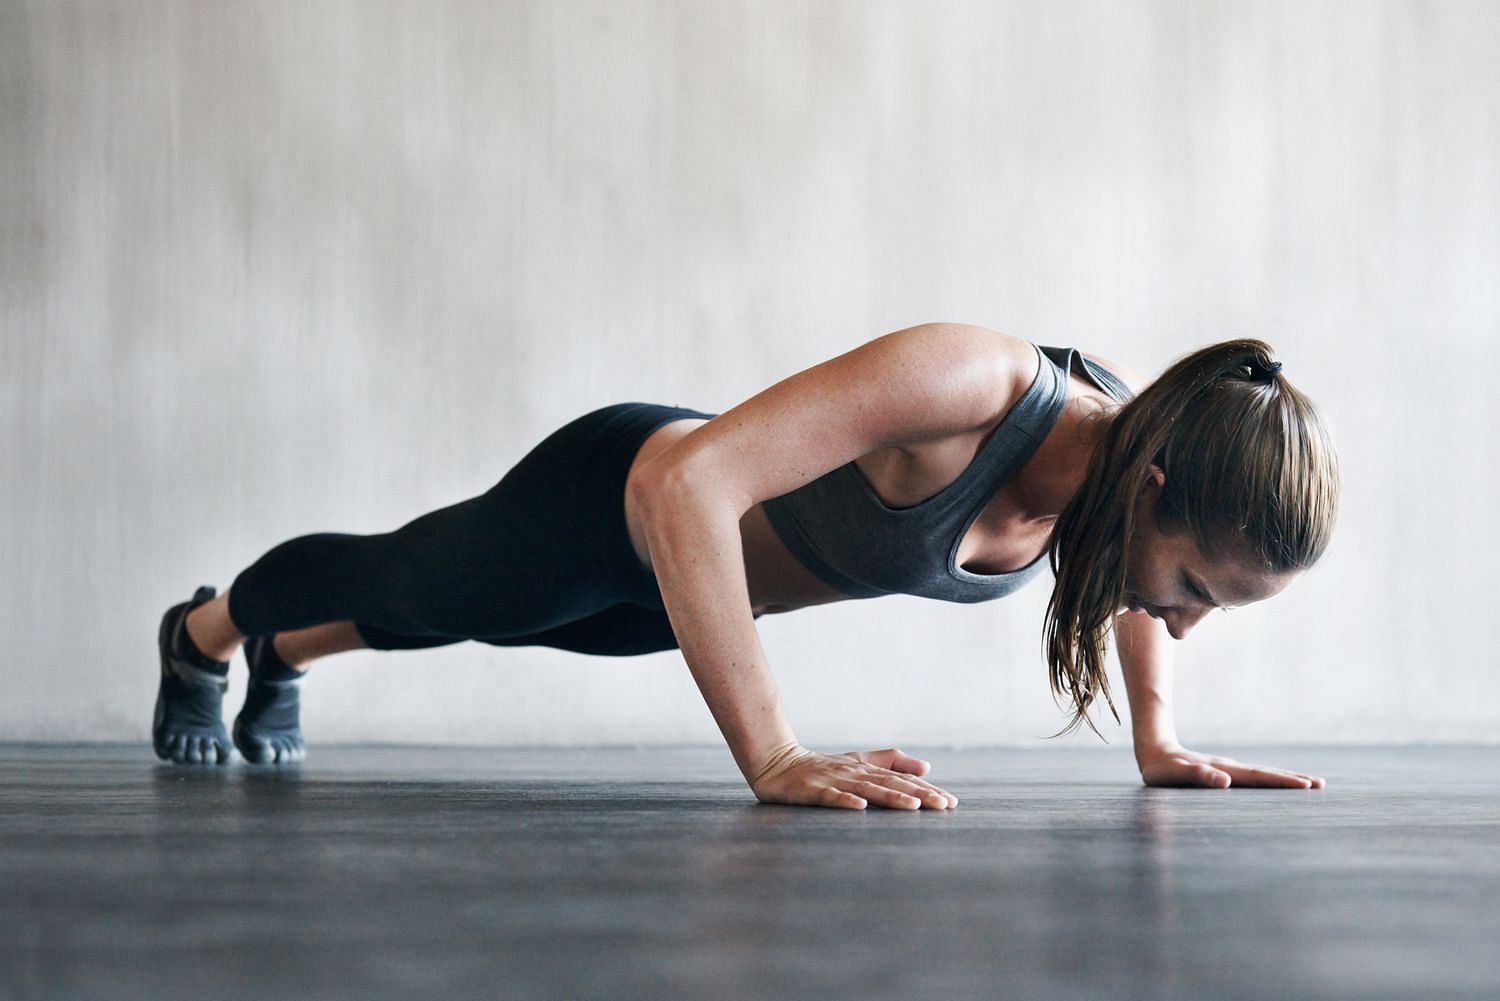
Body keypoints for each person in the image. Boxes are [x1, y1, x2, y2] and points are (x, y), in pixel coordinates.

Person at [153, 322, 1340, 809]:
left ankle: (286, 653)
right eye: (1200, 587)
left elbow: (1127, 587)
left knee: (464, 618)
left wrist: (1156, 739)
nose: (1181, 619)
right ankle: (205, 634)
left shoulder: (1122, 481)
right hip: (614, 505)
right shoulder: (977, 386)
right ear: (1156, 487)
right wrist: (772, 752)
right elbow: (691, 483)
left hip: (687, 598)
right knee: (407, 579)